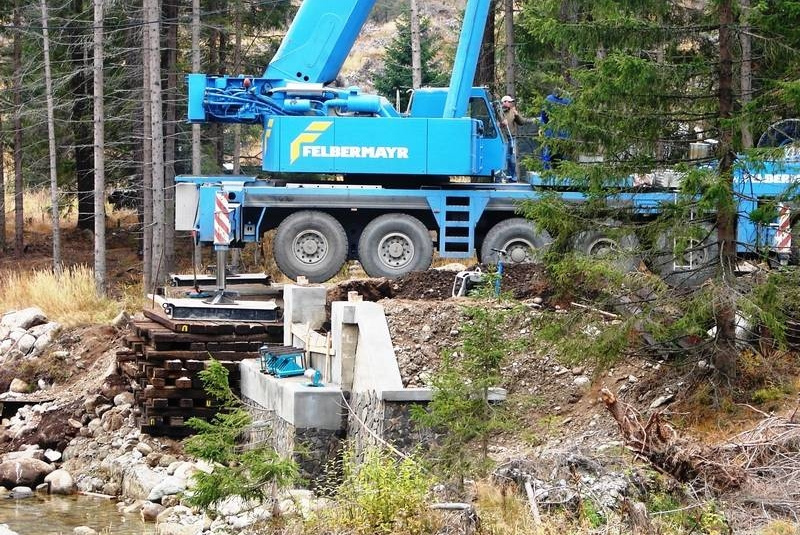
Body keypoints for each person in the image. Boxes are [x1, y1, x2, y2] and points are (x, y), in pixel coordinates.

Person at [499, 95, 533, 182]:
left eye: (511, 102)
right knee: (504, 157)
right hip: (502, 138)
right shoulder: (498, 111)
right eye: (509, 102)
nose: (511, 103)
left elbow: (521, 122)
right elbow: (493, 124)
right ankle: (502, 177)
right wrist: (501, 124)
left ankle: (512, 177)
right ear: (504, 102)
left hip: (511, 137)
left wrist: (517, 115)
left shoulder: (512, 111)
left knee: (512, 158)